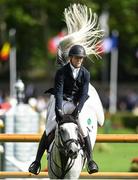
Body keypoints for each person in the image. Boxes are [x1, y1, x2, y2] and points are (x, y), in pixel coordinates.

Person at [28, 45, 99, 175]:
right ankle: (37, 162)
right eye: (77, 58)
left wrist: (79, 109)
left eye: (81, 58)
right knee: (49, 127)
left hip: (76, 102)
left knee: (82, 128)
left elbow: (84, 94)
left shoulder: (86, 73)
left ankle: (90, 161)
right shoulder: (61, 72)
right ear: (71, 58)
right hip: (62, 101)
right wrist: (58, 110)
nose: (79, 60)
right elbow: (59, 93)